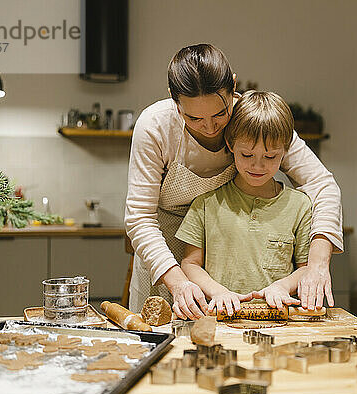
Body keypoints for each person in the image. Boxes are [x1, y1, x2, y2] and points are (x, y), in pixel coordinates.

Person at [125, 43, 343, 320]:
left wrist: (317, 264)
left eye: (220, 113)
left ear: (233, 89)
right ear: (174, 100)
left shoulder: (250, 118)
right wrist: (179, 282)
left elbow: (322, 184)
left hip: (224, 259)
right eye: (194, 117)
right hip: (163, 254)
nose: (210, 127)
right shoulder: (154, 126)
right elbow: (140, 218)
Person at [176, 91, 312, 316]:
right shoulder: (206, 204)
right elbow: (190, 264)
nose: (258, 166)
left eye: (270, 157)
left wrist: (283, 286)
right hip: (219, 320)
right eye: (247, 155)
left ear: (286, 150)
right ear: (230, 144)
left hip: (280, 323)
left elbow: (307, 268)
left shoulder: (300, 206)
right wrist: (218, 292)